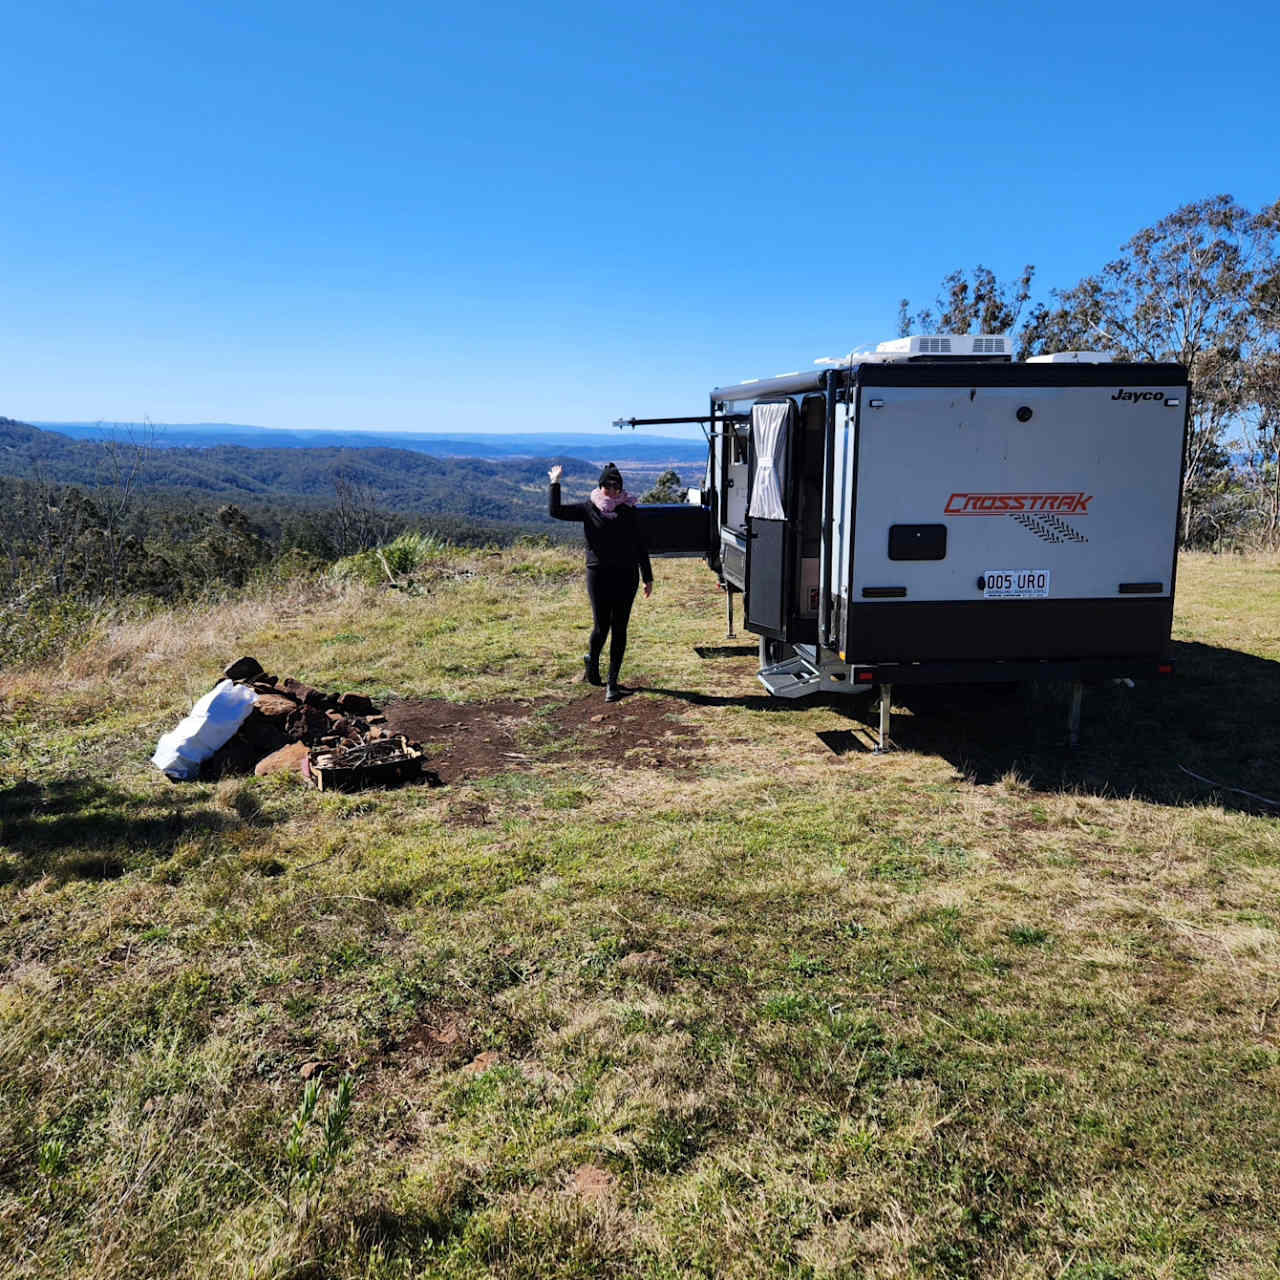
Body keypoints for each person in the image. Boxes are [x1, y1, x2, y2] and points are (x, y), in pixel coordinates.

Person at [548, 461, 653, 702]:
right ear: (600, 485)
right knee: (601, 627)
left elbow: (640, 546)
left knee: (620, 628)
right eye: (607, 484)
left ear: (621, 487)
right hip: (599, 575)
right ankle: (592, 661)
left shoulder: (629, 510)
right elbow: (556, 512)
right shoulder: (588, 509)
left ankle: (613, 683)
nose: (611, 489)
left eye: (616, 485)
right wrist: (555, 483)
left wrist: (648, 577)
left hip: (627, 575)